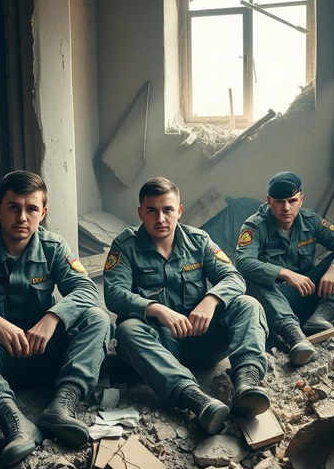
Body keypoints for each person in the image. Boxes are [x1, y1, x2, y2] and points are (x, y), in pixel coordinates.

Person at [0, 171, 110, 466]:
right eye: (14, 207)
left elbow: (86, 290)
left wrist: (53, 317)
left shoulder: (54, 247)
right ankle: (13, 420)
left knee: (97, 319)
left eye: (31, 208)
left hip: (44, 354)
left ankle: (63, 406)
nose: (22, 217)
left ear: (43, 213)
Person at [104, 177, 270, 435]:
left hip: (202, 339)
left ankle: (247, 384)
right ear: (141, 213)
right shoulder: (125, 245)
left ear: (179, 210)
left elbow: (234, 278)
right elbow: (113, 293)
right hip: (160, 345)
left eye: (168, 209)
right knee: (127, 330)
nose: (161, 218)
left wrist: (211, 299)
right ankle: (196, 400)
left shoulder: (199, 240)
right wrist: (156, 308)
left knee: (248, 304)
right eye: (152, 211)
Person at [236, 171, 334, 366]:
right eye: (279, 201)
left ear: (301, 200)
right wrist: (285, 274)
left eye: (292, 201)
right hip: (277, 298)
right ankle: (296, 337)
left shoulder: (310, 220)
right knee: (252, 281)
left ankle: (321, 316)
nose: (286, 208)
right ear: (269, 201)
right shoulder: (255, 226)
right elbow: (243, 262)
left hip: (309, 289)